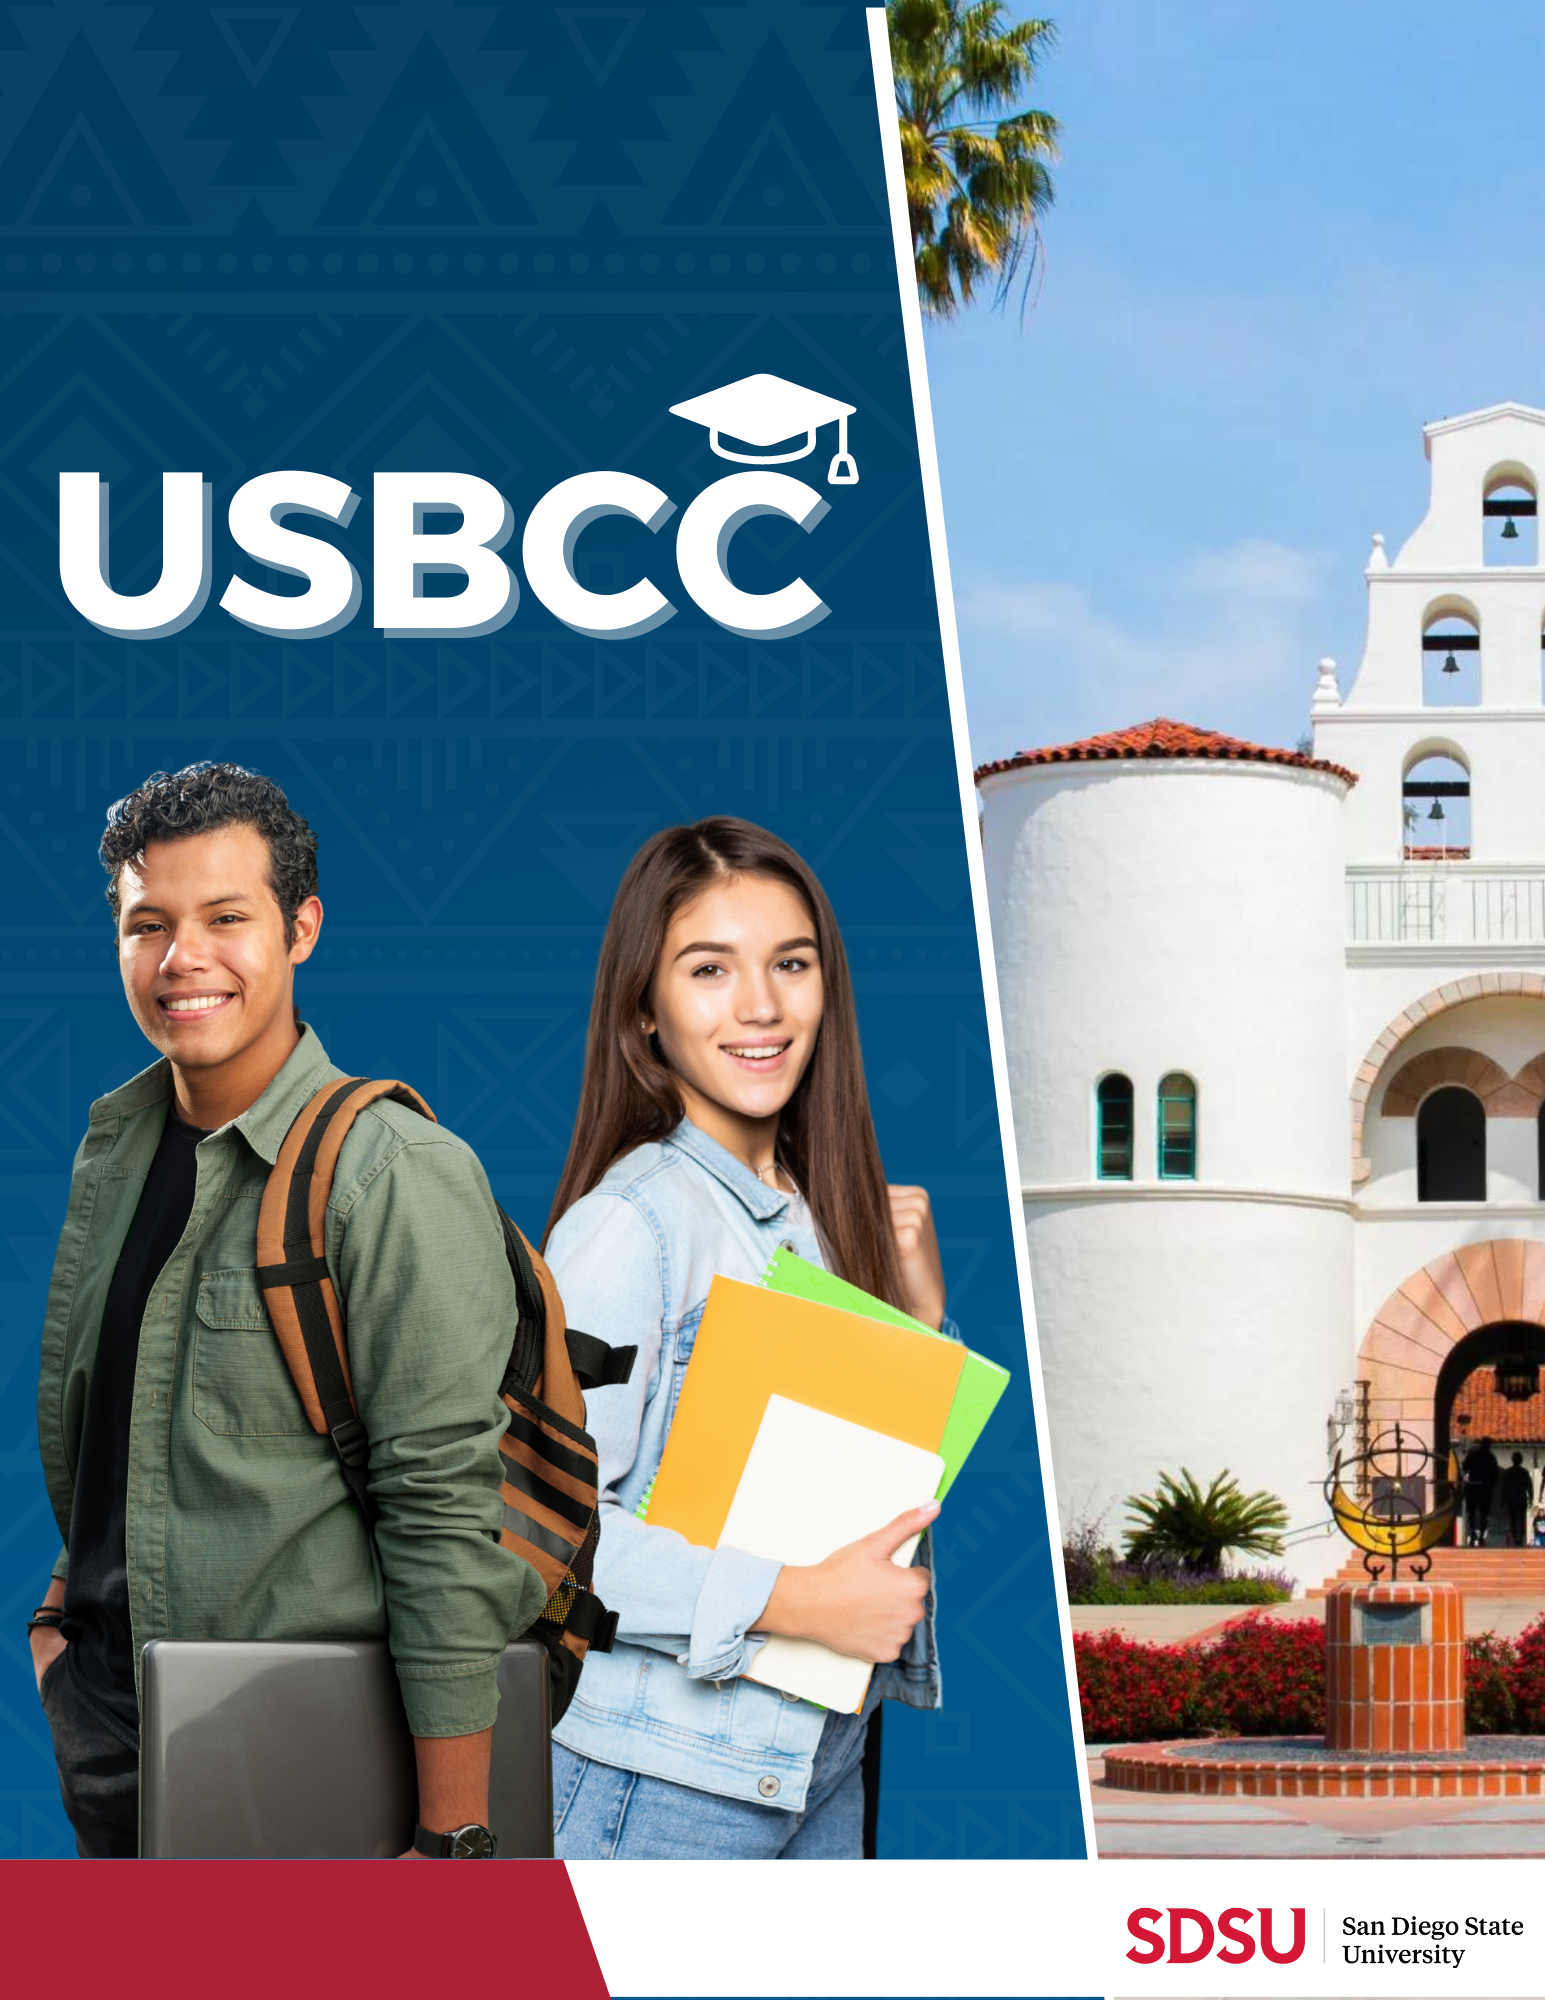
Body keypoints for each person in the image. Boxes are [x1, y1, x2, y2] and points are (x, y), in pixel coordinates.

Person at [30, 762, 541, 1859]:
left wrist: (454, 1841)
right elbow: (119, 1416)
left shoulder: (392, 1171)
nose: (182, 959)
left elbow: (444, 1513)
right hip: (118, 1724)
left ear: (301, 927)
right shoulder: (115, 1149)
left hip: (304, 1756)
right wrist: (60, 1620)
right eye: (147, 923)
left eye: (227, 916)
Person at [541, 816, 953, 1859]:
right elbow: (544, 1537)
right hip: (662, 1781)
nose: (761, 1005)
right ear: (645, 1010)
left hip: (815, 1761)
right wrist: (799, 1600)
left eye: (790, 963)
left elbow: (863, 1491)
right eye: (710, 967)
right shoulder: (628, 1228)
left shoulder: (823, 1215)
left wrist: (920, 1326)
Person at [1463, 1436, 1500, 1548]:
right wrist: (1491, 1486)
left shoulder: (1473, 1455)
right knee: (1483, 1514)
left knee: (1472, 1513)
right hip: (1484, 1489)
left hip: (1474, 1487)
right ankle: (1481, 1537)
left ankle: (1474, 1534)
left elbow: (1464, 1468)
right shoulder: (1491, 1457)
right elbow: (1495, 1474)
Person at [1501, 1452, 1534, 1549]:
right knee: (1521, 1519)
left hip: (1512, 1499)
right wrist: (1531, 1498)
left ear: (1512, 1460)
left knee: (1513, 1520)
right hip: (1521, 1498)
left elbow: (1504, 1488)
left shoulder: (1507, 1472)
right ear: (1521, 1460)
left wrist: (1502, 1500)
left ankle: (1516, 1539)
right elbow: (1530, 1486)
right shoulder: (1525, 1472)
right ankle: (1520, 1539)